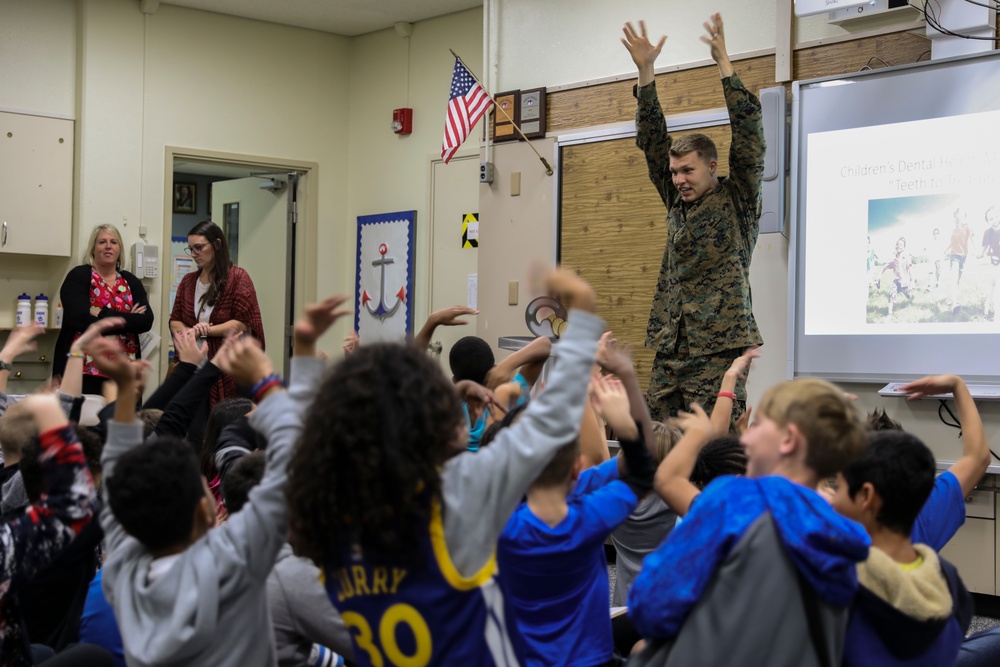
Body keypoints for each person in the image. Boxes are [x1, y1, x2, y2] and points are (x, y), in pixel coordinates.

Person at [285, 268, 604, 666]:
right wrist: (583, 314)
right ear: (427, 419)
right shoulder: (457, 496)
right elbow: (552, 418)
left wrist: (304, 350)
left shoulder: (330, 515)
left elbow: (296, 436)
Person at [94, 295, 349, 667]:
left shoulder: (121, 568)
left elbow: (116, 474)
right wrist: (282, 369)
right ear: (206, 510)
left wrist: (122, 394)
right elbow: (291, 467)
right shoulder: (234, 565)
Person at [628, 379, 870, 667]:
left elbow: (651, 605)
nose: (745, 439)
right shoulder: (843, 534)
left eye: (760, 425)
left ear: (789, 439)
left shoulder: (733, 501)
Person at [622, 13, 766, 421]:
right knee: (658, 443)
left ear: (711, 167)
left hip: (717, 351)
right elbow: (652, 142)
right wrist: (646, 73)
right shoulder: (675, 201)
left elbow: (750, 134)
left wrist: (724, 65)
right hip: (671, 347)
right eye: (674, 172)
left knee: (716, 453)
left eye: (688, 170)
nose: (679, 179)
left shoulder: (738, 199)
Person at [497, 371, 655, 667]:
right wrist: (622, 420)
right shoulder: (591, 517)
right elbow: (642, 470)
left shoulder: (503, 528)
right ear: (576, 468)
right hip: (590, 659)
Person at [832, 430, 972, 666]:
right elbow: (976, 457)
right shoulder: (951, 581)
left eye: (839, 488)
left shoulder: (838, 583)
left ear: (866, 495)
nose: (833, 499)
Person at [169, 220, 264, 407]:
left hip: (232, 371)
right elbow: (175, 321)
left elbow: (242, 323)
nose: (194, 255)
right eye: (191, 249)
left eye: (199, 248)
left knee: (226, 427)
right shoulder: (188, 281)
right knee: (195, 433)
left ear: (217, 244)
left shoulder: (238, 278)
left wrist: (204, 331)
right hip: (195, 369)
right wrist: (192, 331)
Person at [53, 224, 154, 395]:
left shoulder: (131, 281)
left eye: (113, 242)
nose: (108, 246)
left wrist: (102, 313)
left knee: (121, 420)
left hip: (125, 371)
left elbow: (145, 321)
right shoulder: (79, 276)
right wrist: (128, 319)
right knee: (82, 420)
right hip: (84, 369)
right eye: (102, 242)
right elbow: (79, 319)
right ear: (93, 249)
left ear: (119, 249)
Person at [879, 236, 914, 321]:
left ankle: (908, 293)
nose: (898, 246)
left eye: (901, 245)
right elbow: (884, 267)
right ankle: (889, 314)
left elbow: (910, 270)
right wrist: (879, 277)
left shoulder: (907, 259)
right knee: (892, 295)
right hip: (897, 282)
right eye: (897, 244)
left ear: (904, 248)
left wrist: (913, 281)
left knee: (909, 296)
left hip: (905, 283)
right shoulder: (893, 260)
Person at [947, 208, 974, 313]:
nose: (960, 215)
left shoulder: (968, 227)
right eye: (958, 213)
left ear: (964, 215)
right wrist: (944, 250)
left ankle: (953, 297)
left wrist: (977, 251)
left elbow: (972, 239)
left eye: (962, 213)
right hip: (954, 256)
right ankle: (954, 304)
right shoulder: (953, 230)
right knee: (954, 279)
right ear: (956, 216)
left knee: (957, 280)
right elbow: (951, 242)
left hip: (963, 257)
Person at [979, 205, 999, 319]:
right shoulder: (988, 233)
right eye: (991, 219)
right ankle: (986, 309)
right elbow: (982, 251)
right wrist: (977, 255)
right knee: (991, 285)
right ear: (987, 221)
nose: (995, 220)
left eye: (997, 216)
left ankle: (997, 314)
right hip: (994, 262)